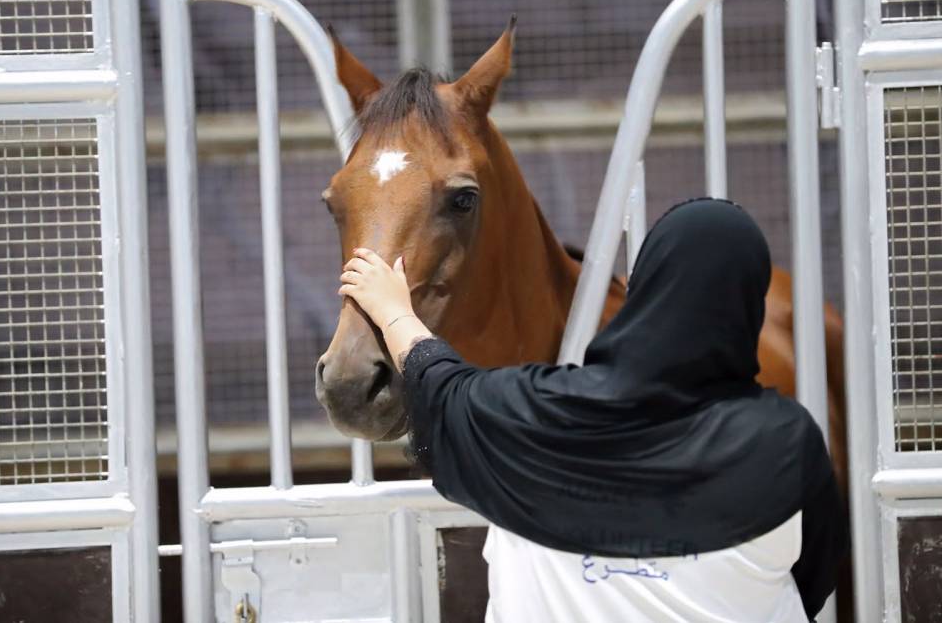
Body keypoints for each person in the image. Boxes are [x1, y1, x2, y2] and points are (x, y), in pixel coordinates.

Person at [338, 198, 847, 623]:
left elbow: (441, 387)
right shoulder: (785, 441)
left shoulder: (524, 414)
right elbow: (817, 571)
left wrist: (394, 314)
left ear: (644, 289)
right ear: (746, 305)